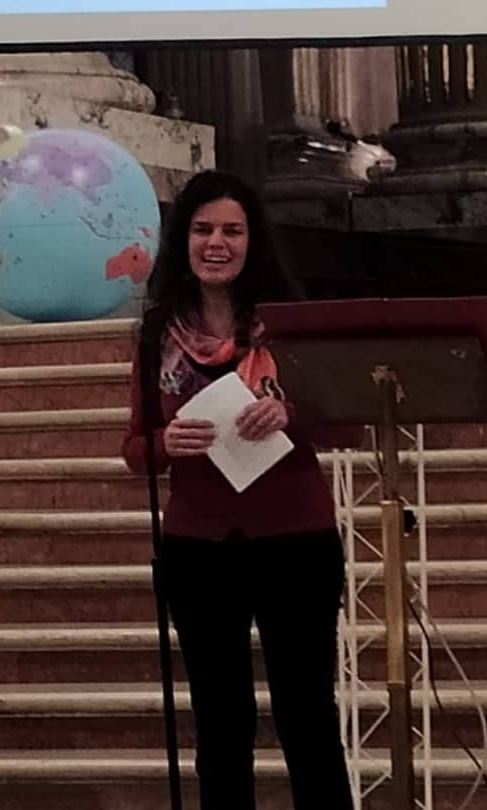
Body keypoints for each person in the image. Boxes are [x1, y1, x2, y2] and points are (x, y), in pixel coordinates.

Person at [121, 169, 355, 810]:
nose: (216, 243)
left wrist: (289, 414)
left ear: (254, 241)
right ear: (184, 241)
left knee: (307, 715)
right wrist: (166, 443)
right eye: (203, 230)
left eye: (232, 230)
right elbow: (135, 449)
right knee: (220, 722)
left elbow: (349, 423)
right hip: (200, 547)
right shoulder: (156, 335)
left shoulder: (287, 326)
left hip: (295, 540)